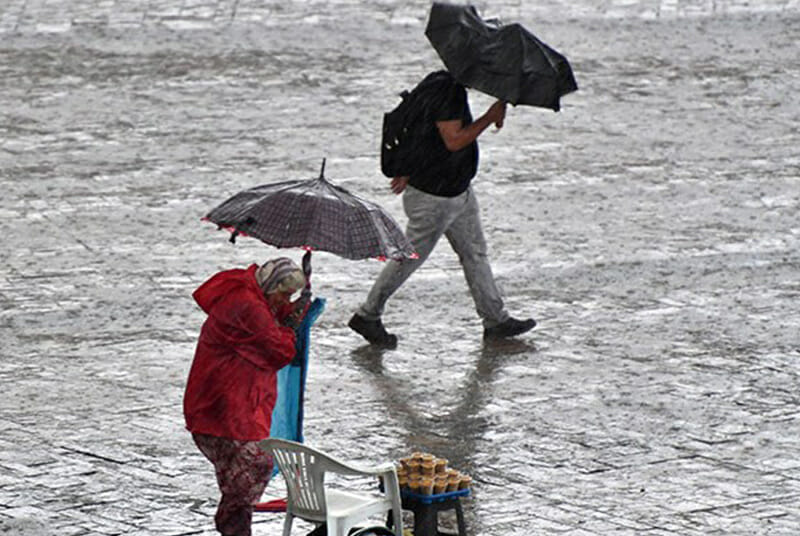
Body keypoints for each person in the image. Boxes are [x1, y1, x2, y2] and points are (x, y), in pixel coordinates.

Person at [349, 70, 536, 348]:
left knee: (474, 253)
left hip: (456, 191)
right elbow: (454, 140)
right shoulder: (450, 92)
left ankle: (495, 320)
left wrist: (408, 168)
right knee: (409, 257)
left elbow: (420, 129)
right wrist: (489, 116)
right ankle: (368, 314)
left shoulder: (436, 81)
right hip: (435, 199)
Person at [183, 257, 307, 536]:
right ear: (272, 285)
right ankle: (232, 525)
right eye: (284, 294)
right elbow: (278, 350)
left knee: (237, 473)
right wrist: (290, 328)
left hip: (228, 402)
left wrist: (291, 307)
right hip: (226, 405)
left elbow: (269, 320)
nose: (284, 300)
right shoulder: (247, 306)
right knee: (255, 463)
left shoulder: (251, 297)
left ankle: (235, 527)